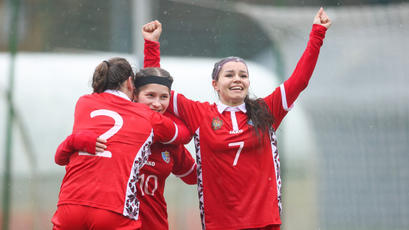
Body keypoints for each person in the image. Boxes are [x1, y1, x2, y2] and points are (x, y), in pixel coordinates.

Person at [147, 8, 332, 230]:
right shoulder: (200, 113)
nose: (237, 79)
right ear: (215, 84)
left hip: (264, 223)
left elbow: (300, 80)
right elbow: (155, 88)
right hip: (220, 225)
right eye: (229, 75)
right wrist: (151, 44)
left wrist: (317, 34)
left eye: (243, 75)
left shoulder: (266, 111)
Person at [53, 21, 197, 230]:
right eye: (150, 96)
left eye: (165, 97)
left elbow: (196, 176)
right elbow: (181, 128)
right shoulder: (142, 117)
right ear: (133, 92)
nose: (157, 103)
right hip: (115, 216)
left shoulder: (169, 144)